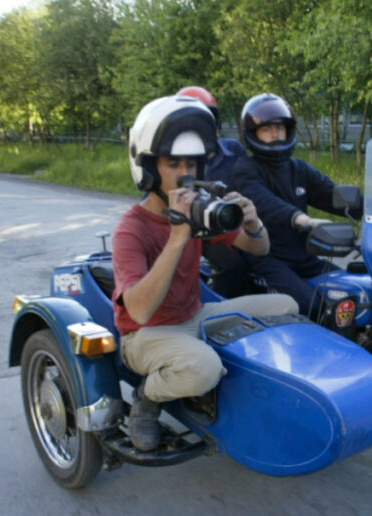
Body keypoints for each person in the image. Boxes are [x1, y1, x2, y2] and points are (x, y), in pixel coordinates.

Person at [113, 95, 298, 452]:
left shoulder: (198, 210)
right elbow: (138, 311)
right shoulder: (131, 229)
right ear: (149, 168)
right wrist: (178, 237)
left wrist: (254, 221)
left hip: (194, 315)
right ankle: (146, 397)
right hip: (145, 335)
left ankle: (258, 394)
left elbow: (257, 248)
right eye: (172, 163)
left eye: (192, 164)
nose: (185, 174)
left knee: (286, 306)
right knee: (203, 368)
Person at [232, 93, 362, 313]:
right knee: (313, 308)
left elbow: (332, 194)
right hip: (268, 259)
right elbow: (265, 203)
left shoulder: (298, 168)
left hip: (304, 257)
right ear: (253, 134)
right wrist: (302, 219)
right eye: (267, 129)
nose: (275, 133)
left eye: (280, 127)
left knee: (356, 294)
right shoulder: (245, 169)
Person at [175, 85, 253, 298]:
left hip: (231, 219)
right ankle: (216, 311)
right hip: (198, 230)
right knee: (233, 265)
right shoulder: (175, 158)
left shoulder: (234, 150)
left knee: (262, 255)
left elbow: (248, 182)